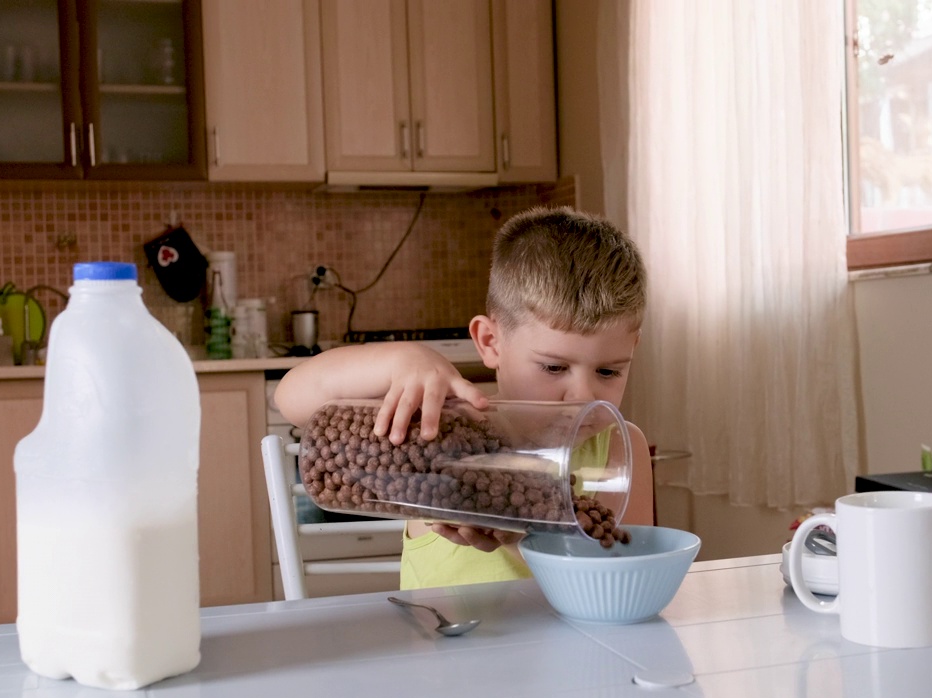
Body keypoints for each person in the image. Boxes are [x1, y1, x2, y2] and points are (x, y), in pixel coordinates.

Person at [274, 206, 653, 589]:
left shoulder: (622, 450)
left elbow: (623, 581)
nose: (583, 397)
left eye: (608, 371)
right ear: (490, 342)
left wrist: (518, 535)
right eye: (554, 368)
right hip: (437, 643)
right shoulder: (443, 430)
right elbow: (292, 398)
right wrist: (402, 359)